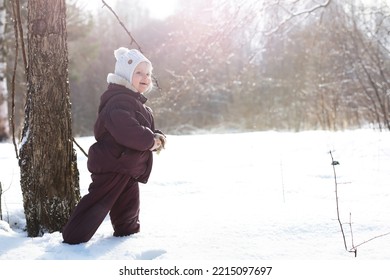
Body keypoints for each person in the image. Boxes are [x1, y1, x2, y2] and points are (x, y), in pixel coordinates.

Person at [62, 47, 165, 244]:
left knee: (128, 207)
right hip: (113, 165)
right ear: (126, 75)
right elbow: (127, 130)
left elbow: (143, 128)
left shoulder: (136, 103)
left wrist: (156, 135)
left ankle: (127, 234)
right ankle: (72, 238)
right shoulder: (118, 102)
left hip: (127, 167)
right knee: (98, 203)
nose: (145, 77)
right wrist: (150, 140)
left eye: (148, 73)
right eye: (139, 72)